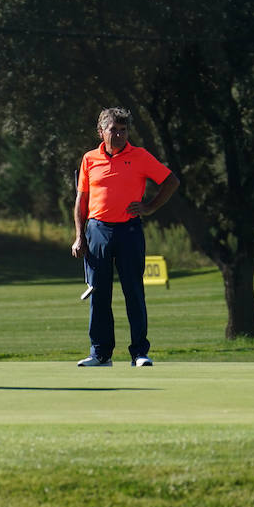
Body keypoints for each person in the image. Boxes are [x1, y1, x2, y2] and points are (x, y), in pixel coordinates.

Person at [71, 107, 180, 367]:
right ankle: (100, 354)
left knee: (133, 291)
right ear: (101, 132)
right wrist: (79, 236)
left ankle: (139, 352)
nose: (119, 135)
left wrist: (151, 207)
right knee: (99, 294)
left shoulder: (140, 156)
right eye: (113, 130)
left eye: (123, 130)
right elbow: (81, 200)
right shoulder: (89, 159)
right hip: (97, 230)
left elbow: (171, 181)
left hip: (129, 230)